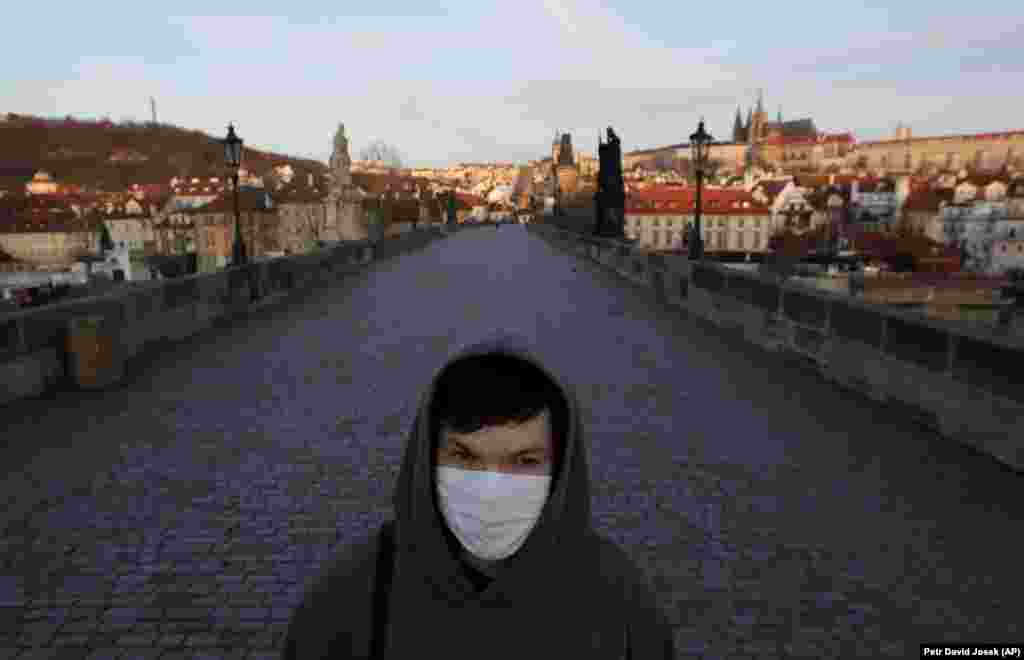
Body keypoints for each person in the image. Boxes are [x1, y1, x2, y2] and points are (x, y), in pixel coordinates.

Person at [280, 332, 675, 659]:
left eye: (524, 461)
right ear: (427, 457)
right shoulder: (347, 599)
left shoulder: (621, 601)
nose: (490, 490)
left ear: (560, 470)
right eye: (464, 456)